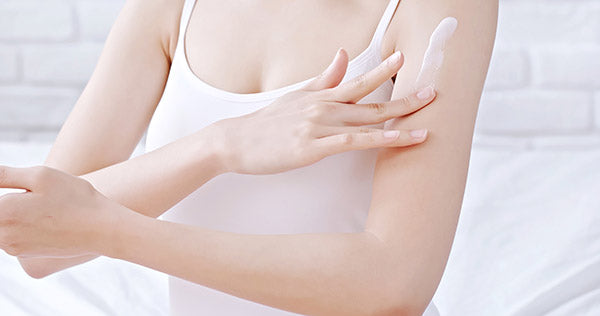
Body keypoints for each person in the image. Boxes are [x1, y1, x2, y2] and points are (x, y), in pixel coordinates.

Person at [0, 0, 498, 315]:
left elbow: (393, 283)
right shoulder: (170, 7)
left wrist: (109, 229)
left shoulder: (441, 7)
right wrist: (220, 146)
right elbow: (37, 241)